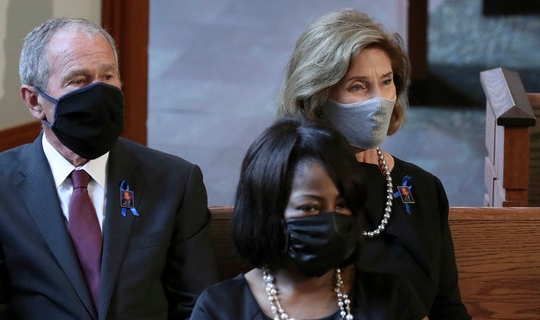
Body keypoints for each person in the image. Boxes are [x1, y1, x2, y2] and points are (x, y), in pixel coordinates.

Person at [0, 17, 218, 319]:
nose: (98, 94)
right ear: (35, 100)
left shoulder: (175, 181)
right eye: (78, 81)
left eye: (107, 77)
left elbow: (197, 306)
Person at [277, 9, 470, 319]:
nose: (379, 101)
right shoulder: (288, 185)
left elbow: (447, 307)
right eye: (358, 86)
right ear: (317, 95)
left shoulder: (421, 187)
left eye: (386, 82)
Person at [191, 117, 428, 320]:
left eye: (342, 204)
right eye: (310, 208)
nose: (332, 221)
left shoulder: (392, 298)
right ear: (266, 211)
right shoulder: (220, 309)